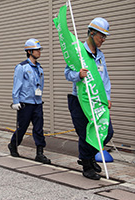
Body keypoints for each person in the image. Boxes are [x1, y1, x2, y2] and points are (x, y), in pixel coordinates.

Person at [64, 17, 114, 180]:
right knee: (86, 133)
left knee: (107, 131)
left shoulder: (100, 56)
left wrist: (107, 97)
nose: (103, 40)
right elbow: (67, 73)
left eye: (105, 37)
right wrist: (78, 75)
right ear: (92, 33)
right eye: (101, 36)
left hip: (97, 100)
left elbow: (105, 78)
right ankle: (86, 164)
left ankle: (89, 156)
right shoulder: (78, 51)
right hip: (81, 100)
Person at [8, 38, 51, 164]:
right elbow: (17, 84)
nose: (39, 52)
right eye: (37, 50)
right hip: (25, 103)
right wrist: (16, 100)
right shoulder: (21, 67)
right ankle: (13, 145)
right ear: (29, 51)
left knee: (38, 129)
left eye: (39, 49)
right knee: (22, 127)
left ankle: (40, 153)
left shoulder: (40, 68)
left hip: (37, 103)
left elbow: (40, 85)